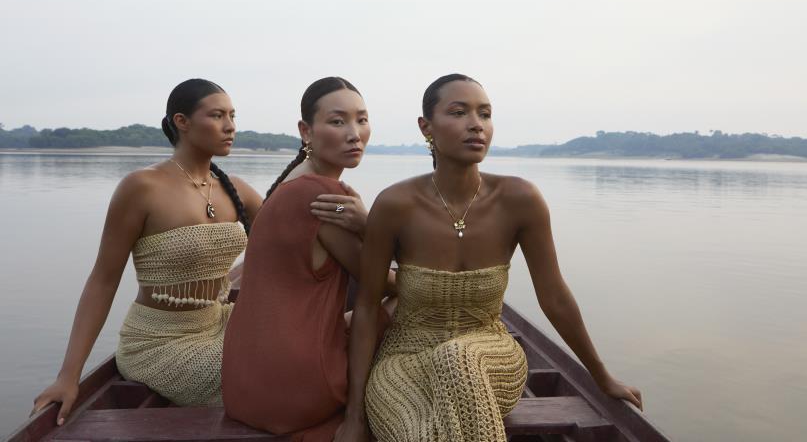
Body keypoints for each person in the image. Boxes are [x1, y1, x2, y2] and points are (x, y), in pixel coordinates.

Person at [338, 74, 642, 442]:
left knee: (457, 358)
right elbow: (369, 307)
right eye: (459, 112)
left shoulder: (519, 200)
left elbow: (555, 297)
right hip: (406, 360)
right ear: (426, 127)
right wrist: (354, 415)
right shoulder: (395, 204)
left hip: (490, 355)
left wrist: (601, 376)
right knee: (421, 433)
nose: (476, 125)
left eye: (485, 114)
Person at [31, 79, 262, 424]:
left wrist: (341, 211)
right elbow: (103, 281)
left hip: (219, 324)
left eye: (233, 116)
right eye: (217, 116)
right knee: (265, 379)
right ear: (181, 122)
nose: (230, 127)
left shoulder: (236, 190)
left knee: (307, 355)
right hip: (159, 343)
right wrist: (68, 376)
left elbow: (293, 237)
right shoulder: (142, 187)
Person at [222, 76, 395, 440]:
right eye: (337, 121)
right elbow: (387, 281)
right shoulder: (324, 196)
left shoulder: (290, 185)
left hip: (244, 387)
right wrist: (371, 226)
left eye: (362, 120)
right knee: (411, 301)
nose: (354, 133)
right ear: (306, 131)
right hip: (298, 387)